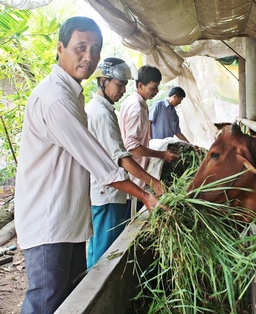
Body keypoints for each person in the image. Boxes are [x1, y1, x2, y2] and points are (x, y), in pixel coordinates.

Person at [14, 16, 161, 314]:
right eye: (81, 47)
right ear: (60, 48)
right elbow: (102, 163)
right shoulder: (56, 98)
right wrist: (146, 194)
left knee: (68, 299)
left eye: (96, 49)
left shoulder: (72, 94)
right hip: (49, 221)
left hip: (67, 219)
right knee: (46, 302)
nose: (89, 56)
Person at [85, 57, 166, 269]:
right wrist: (152, 182)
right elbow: (122, 155)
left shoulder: (104, 109)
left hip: (109, 190)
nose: (122, 90)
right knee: (104, 255)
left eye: (124, 86)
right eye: (119, 85)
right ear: (103, 81)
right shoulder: (101, 114)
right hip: (107, 193)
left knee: (102, 248)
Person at [119, 65, 178, 212]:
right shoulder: (137, 108)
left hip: (135, 172)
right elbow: (132, 146)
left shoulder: (133, 101)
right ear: (140, 85)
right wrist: (161, 155)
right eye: (153, 88)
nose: (156, 92)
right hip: (134, 175)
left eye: (157, 87)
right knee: (131, 216)